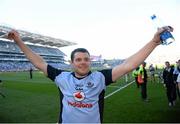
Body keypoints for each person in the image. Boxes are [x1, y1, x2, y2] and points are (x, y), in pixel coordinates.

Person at [7, 26, 173, 123]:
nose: (82, 62)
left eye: (86, 59)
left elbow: (129, 65)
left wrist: (154, 42)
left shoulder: (100, 78)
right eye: (78, 59)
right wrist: (19, 41)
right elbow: (39, 62)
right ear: (72, 63)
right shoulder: (61, 77)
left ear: (90, 62)